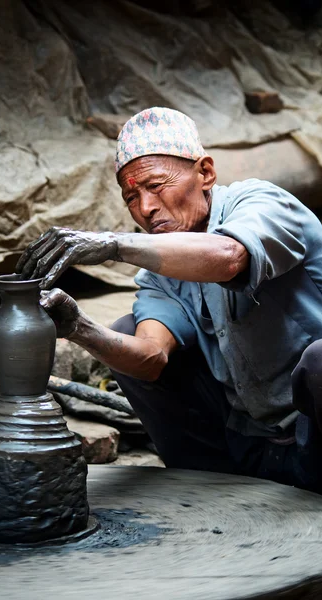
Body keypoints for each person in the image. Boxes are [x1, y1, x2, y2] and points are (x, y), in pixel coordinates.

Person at [16, 106, 322, 493]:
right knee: (123, 331)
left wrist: (112, 244)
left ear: (205, 173)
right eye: (132, 197)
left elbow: (229, 258)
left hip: (315, 428)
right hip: (256, 440)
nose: (145, 208)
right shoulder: (160, 274)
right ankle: (208, 489)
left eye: (156, 186)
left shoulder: (262, 203)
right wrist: (79, 328)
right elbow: (149, 357)